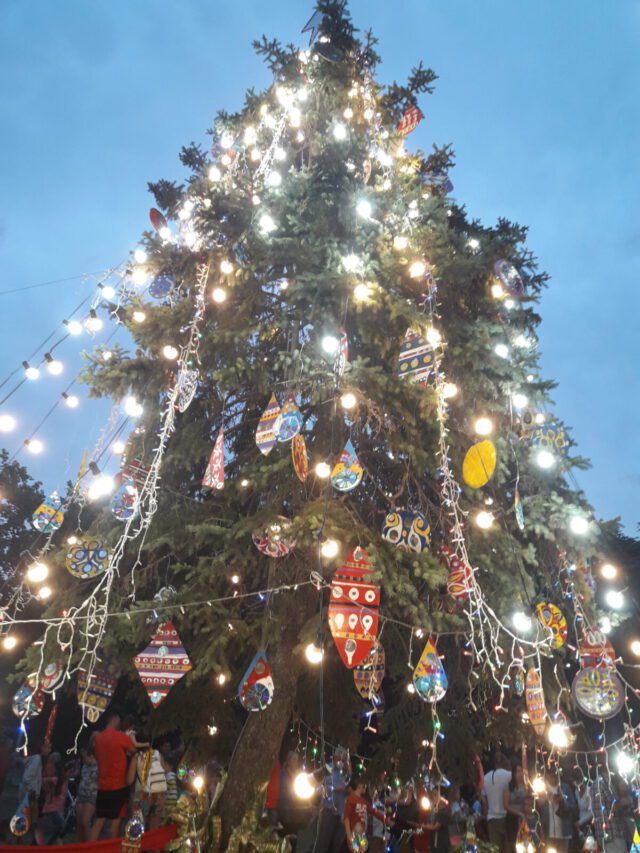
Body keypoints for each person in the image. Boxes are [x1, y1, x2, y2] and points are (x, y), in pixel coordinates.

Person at [90, 711, 148, 841]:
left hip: (102, 786)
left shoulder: (98, 738)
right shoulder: (120, 736)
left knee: (98, 823)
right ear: (115, 719)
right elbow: (133, 749)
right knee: (114, 825)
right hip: (119, 786)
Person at [313, 746, 349, 853]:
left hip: (341, 815)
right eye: (339, 758)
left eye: (343, 760)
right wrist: (330, 789)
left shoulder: (346, 774)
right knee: (322, 844)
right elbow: (317, 789)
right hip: (328, 812)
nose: (341, 761)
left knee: (336, 846)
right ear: (334, 757)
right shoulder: (327, 768)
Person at [538, 767, 576, 853]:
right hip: (547, 831)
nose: (553, 777)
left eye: (555, 774)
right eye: (550, 775)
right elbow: (536, 808)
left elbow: (572, 807)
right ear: (546, 775)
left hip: (564, 831)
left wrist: (562, 801)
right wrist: (545, 799)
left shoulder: (565, 787)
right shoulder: (541, 788)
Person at [35, 754, 70, 844]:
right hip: (52, 810)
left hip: (53, 809)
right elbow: (43, 780)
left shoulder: (60, 780)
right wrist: (46, 785)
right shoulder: (56, 780)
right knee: (62, 828)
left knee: (57, 832)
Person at [483, 752, 512, 853]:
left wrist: (486, 817)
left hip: (492, 819)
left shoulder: (486, 778)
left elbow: (484, 802)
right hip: (507, 818)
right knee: (509, 848)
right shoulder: (509, 775)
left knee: (495, 850)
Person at [75, 738, 98, 842]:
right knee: (79, 822)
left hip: (91, 795)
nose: (83, 759)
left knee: (85, 821)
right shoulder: (84, 765)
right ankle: (80, 846)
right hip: (81, 794)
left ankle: (89, 846)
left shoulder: (98, 764)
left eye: (85, 757)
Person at [504, 765, 527, 851]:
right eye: (517, 771)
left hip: (525, 818)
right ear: (513, 773)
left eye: (521, 771)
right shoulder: (508, 786)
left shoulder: (526, 785)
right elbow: (506, 805)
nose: (520, 773)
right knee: (513, 844)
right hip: (512, 818)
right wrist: (519, 813)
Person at [423, 786, 451, 853]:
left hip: (441, 844)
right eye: (433, 797)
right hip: (434, 843)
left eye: (435, 796)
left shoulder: (444, 813)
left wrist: (424, 826)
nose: (433, 799)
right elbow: (429, 821)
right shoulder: (436, 812)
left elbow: (435, 827)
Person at [572, 771, 593, 849]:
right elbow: (579, 809)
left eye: (578, 781)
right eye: (575, 782)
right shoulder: (576, 792)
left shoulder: (590, 790)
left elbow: (592, 812)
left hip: (590, 823)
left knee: (591, 848)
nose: (577, 784)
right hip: (580, 826)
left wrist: (580, 822)